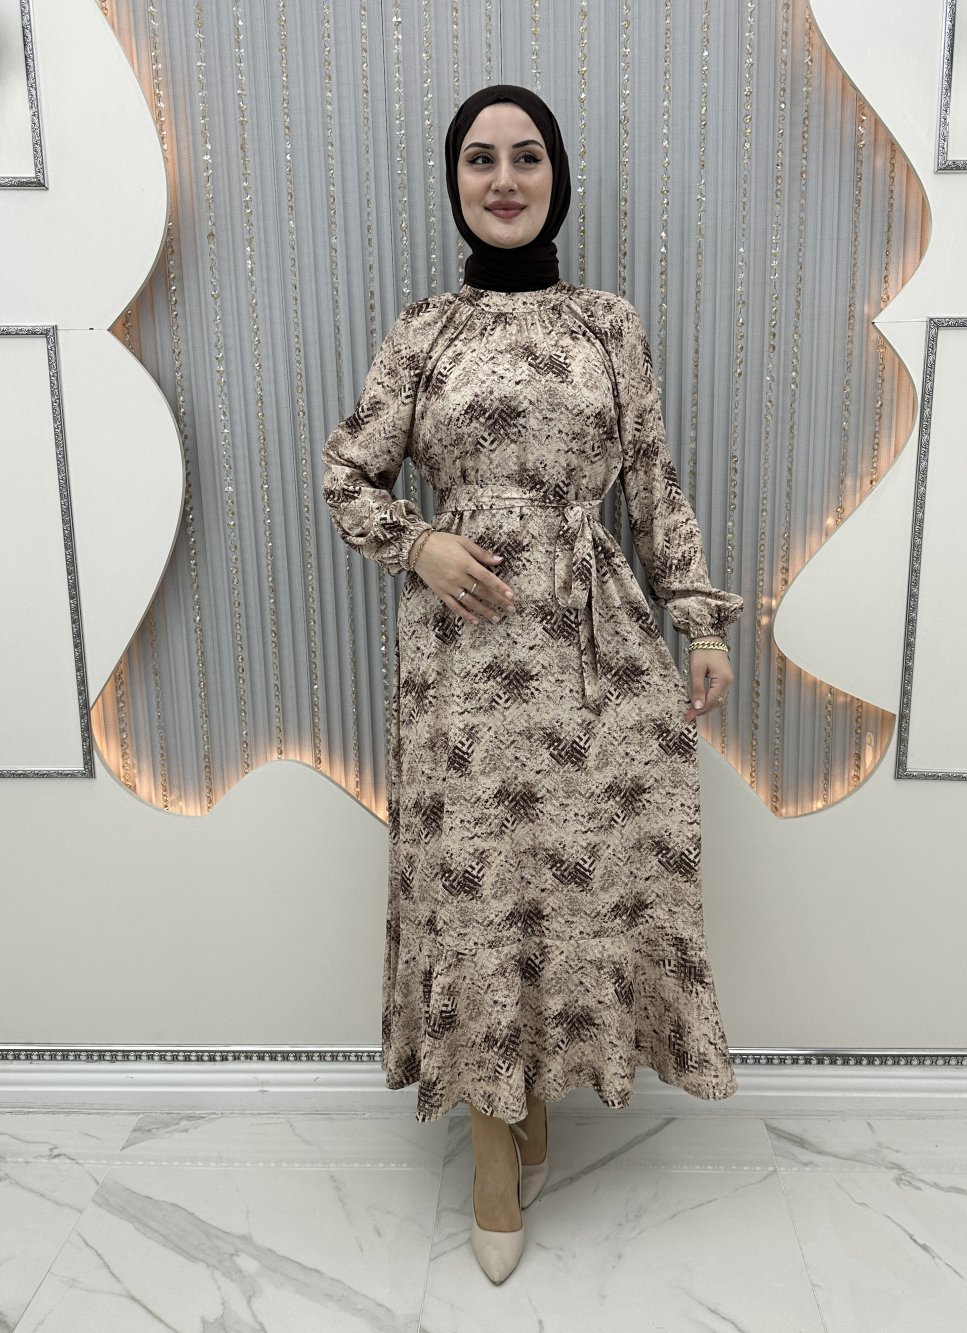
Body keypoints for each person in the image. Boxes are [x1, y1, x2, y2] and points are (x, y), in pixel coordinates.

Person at [321, 83, 743, 1284]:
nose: (502, 179)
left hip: (592, 649)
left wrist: (696, 617)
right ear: (454, 182)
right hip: (460, 662)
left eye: (524, 158)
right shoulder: (424, 331)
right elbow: (345, 473)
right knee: (479, 887)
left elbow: (652, 481)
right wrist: (420, 542)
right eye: (478, 159)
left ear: (556, 177)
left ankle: (539, 1092)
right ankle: (492, 1147)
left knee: (573, 877)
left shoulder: (609, 325)